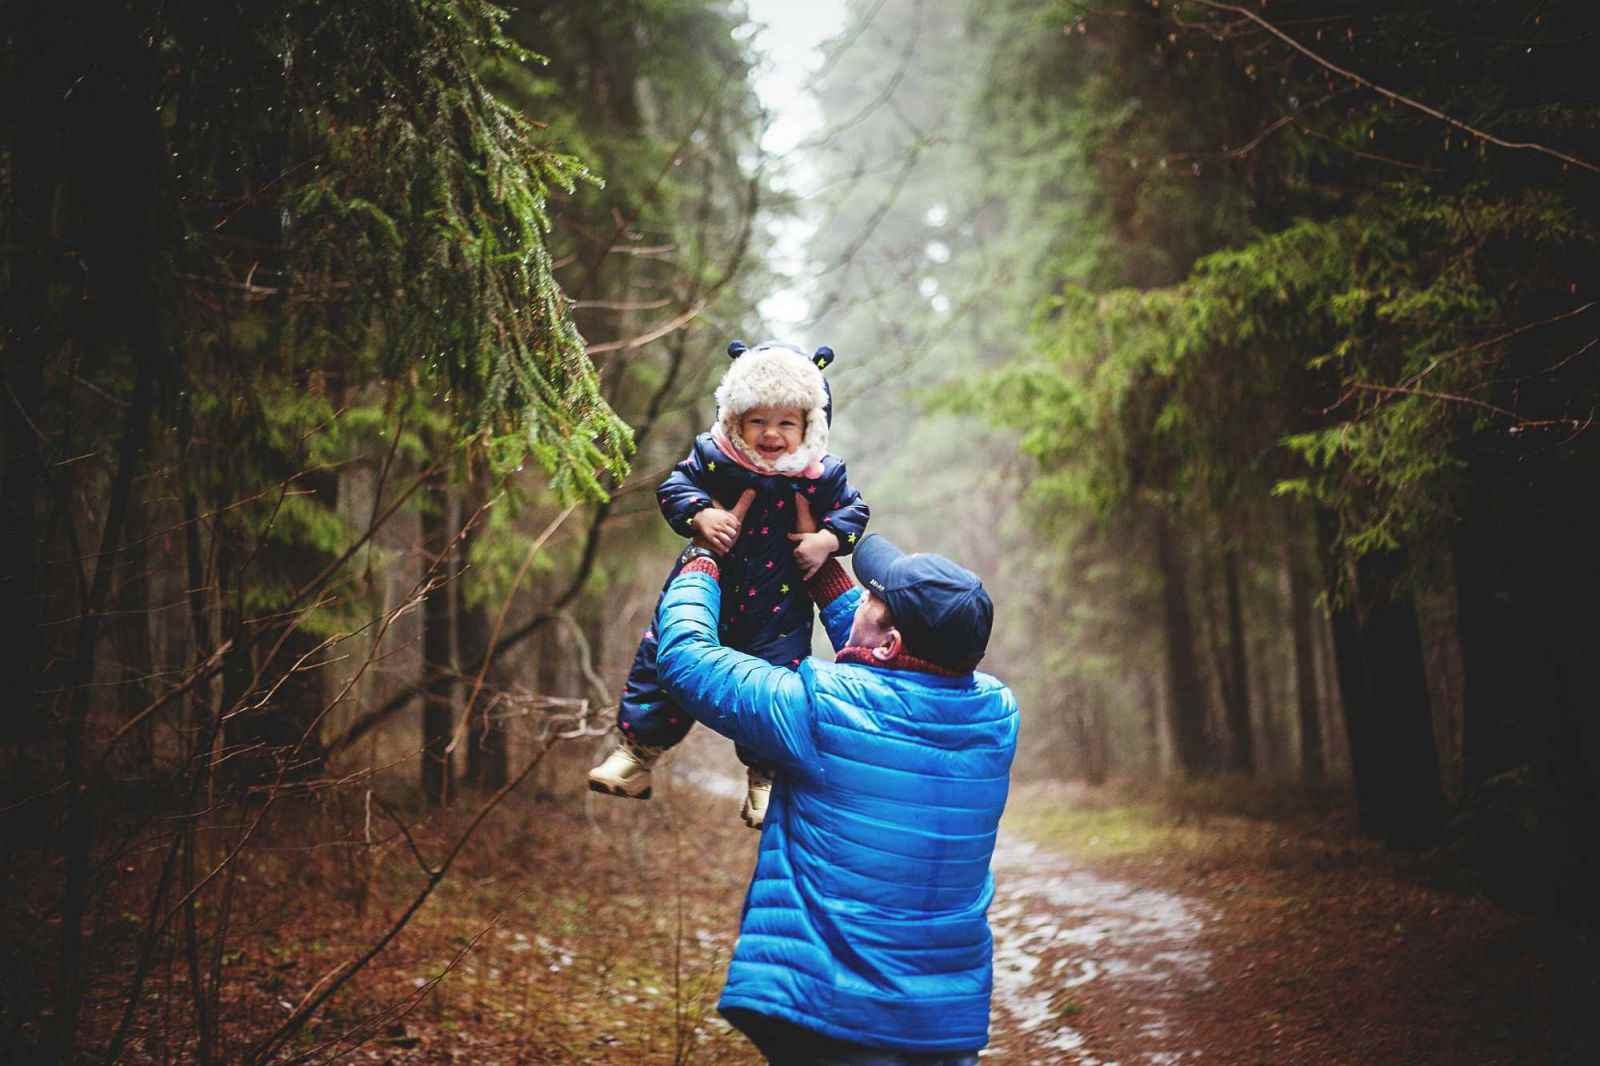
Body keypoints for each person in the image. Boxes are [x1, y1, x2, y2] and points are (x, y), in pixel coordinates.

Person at [653, 494, 1018, 1064]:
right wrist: (826, 576)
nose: (866, 598)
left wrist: (701, 563)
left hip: (831, 1017)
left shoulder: (824, 709)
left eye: (875, 598)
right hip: (936, 1028)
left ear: (891, 642)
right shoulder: (996, 716)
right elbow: (903, 671)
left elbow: (689, 660)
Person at [588, 340, 870, 828]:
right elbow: (674, 486)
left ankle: (766, 779)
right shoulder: (713, 457)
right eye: (757, 420)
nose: (772, 434)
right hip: (708, 587)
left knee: (777, 690)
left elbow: (855, 511)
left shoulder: (821, 475)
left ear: (810, 425)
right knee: (666, 660)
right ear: (734, 420)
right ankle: (637, 755)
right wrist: (701, 513)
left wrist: (826, 540)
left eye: (787, 422)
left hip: (780, 609)